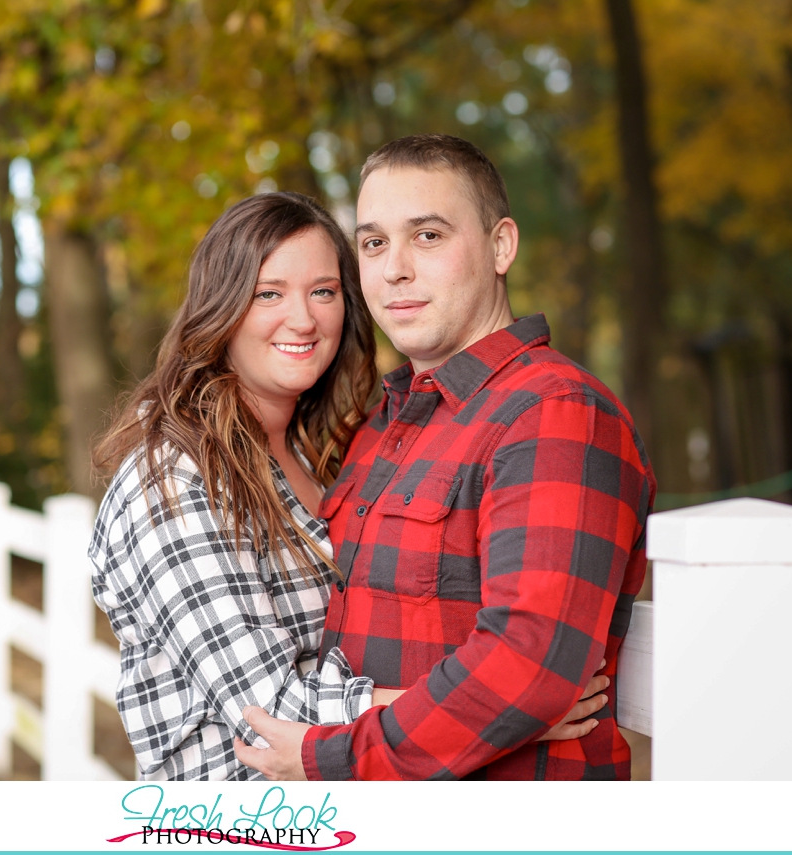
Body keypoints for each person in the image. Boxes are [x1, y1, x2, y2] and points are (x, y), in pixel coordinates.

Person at [88, 190, 607, 781]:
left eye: (324, 292)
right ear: (220, 307)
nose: (304, 318)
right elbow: (270, 711)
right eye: (268, 293)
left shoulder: (317, 457)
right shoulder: (174, 478)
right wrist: (498, 705)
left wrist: (498, 700)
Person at [235, 134, 654, 781]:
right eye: (373, 243)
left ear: (500, 246)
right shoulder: (381, 424)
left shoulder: (555, 411)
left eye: (427, 235)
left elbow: (529, 663)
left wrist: (332, 757)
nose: (394, 268)